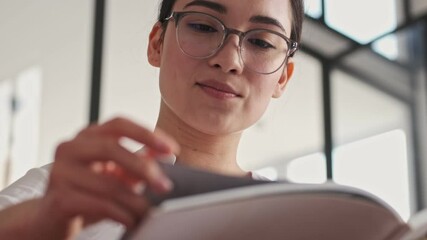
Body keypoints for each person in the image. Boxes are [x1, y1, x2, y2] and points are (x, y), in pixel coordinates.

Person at [0, 0, 304, 239]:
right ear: (157, 43)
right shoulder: (60, 194)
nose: (229, 60)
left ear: (283, 78)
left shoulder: (304, 221)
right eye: (202, 26)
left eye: (262, 43)